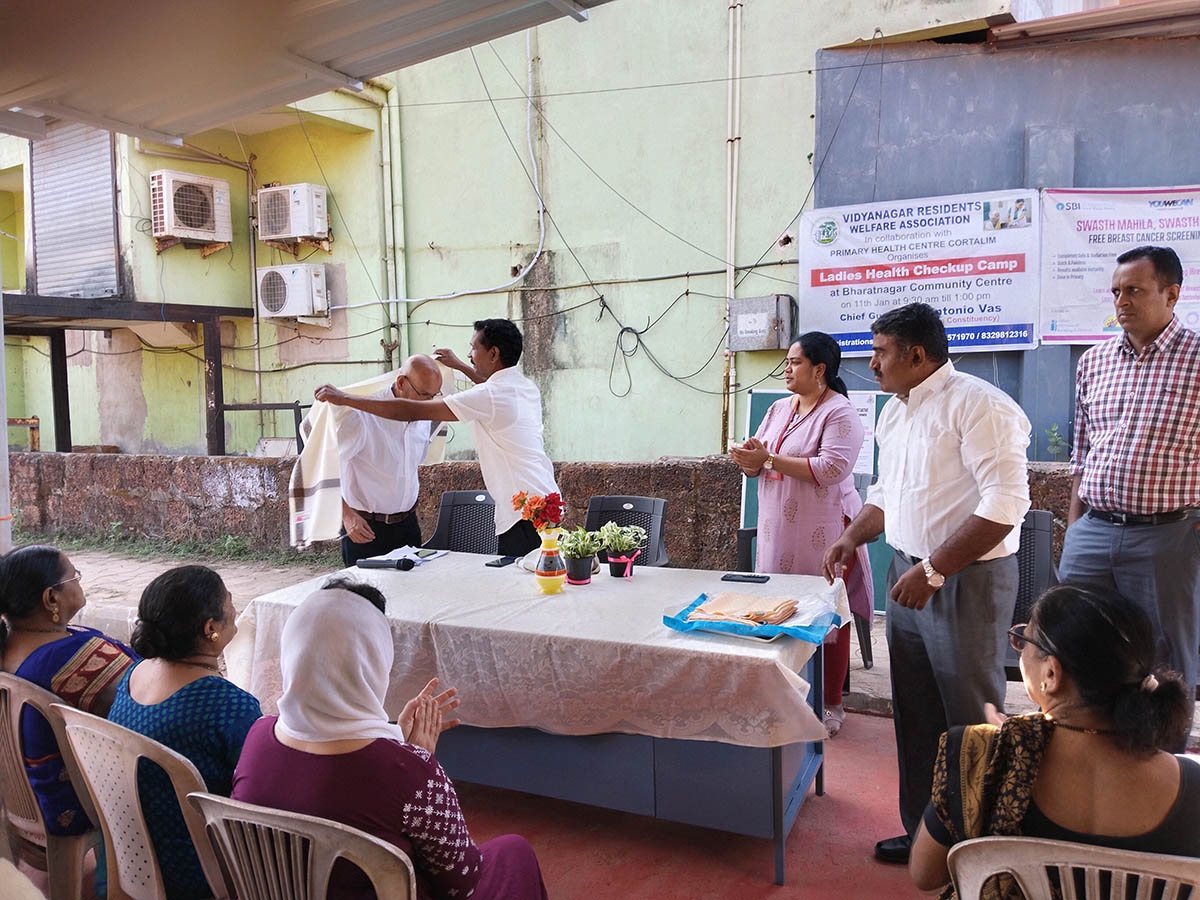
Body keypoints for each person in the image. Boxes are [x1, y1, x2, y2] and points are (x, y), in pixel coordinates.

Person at [822, 302, 1031, 864]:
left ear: (916, 355)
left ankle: (982, 847)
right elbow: (890, 492)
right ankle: (924, 835)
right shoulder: (896, 412)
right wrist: (852, 538)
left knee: (969, 717)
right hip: (909, 576)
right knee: (914, 712)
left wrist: (936, 568)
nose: (872, 364)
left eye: (880, 352)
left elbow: (1006, 504)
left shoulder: (981, 406)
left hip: (963, 578)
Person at [232, 579, 548, 900]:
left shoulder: (257, 736)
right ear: (374, 658)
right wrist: (415, 760)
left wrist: (398, 743)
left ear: (294, 649)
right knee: (513, 852)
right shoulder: (407, 773)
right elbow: (461, 881)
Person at [910, 584, 1199, 897]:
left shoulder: (978, 759)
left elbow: (925, 874)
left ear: (1051, 673)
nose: (1019, 648)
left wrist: (998, 744)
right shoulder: (1192, 786)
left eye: (1024, 640)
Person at [1059, 246, 1199, 735]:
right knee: (1077, 644)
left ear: (1171, 294)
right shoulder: (1094, 362)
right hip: (1093, 532)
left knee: (1165, 660)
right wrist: (1075, 529)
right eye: (1117, 291)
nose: (1122, 300)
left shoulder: (1197, 359)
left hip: (1168, 537)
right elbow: (1082, 453)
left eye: (1135, 290)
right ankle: (1090, 753)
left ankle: (1166, 773)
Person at [315, 318, 559, 557]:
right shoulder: (523, 387)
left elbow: (410, 411)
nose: (469, 355)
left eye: (474, 348)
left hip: (525, 514)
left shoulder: (489, 397)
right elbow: (325, 465)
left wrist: (345, 398)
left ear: (493, 354)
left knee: (528, 586)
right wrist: (461, 367)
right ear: (401, 382)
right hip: (545, 501)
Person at [730, 332, 873, 738]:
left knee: (827, 612)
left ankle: (830, 703)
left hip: (824, 527)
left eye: (794, 362)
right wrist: (749, 460)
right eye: (787, 363)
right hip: (778, 525)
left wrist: (769, 458)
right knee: (778, 605)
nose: (787, 369)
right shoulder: (778, 407)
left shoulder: (840, 413)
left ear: (820, 370)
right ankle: (786, 692)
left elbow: (831, 469)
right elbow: (759, 461)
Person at [106, 565, 262, 900]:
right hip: (198, 871)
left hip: (130, 856)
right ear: (210, 629)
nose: (235, 611)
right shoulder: (228, 704)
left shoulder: (133, 674)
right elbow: (258, 801)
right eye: (230, 603)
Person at [0, 545, 136, 836]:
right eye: (74, 577)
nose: (79, 582)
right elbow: (140, 701)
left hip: (23, 790)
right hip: (73, 797)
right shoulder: (69, 656)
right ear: (51, 598)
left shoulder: (10, 642)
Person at [334, 354, 443, 566]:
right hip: (365, 530)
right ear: (401, 383)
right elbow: (325, 469)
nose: (429, 403)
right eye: (423, 395)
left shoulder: (423, 415)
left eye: (433, 396)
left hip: (408, 527)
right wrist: (347, 516)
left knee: (410, 595)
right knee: (366, 597)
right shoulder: (361, 417)